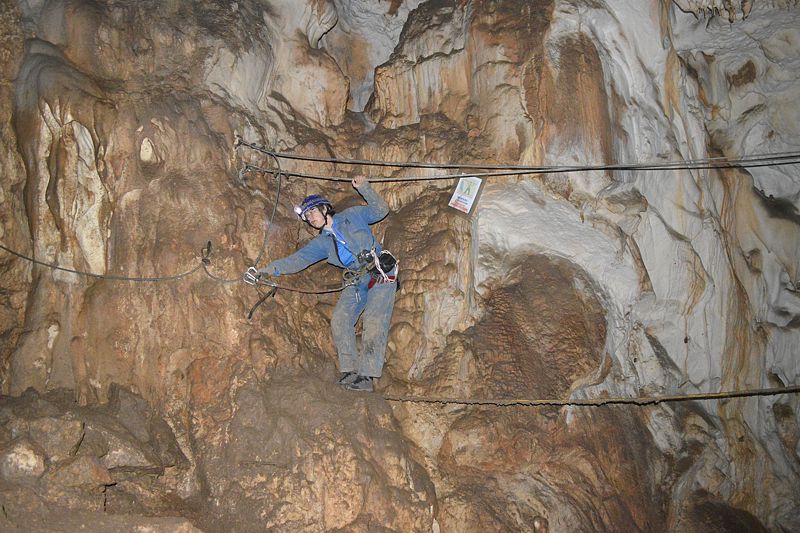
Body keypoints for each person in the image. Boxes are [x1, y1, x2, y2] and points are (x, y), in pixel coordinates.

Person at [258, 175, 397, 392]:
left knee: (374, 320)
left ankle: (367, 376)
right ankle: (350, 370)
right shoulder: (322, 243)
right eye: (306, 216)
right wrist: (267, 270)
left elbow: (381, 211)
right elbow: (298, 259)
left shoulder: (352, 216)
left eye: (312, 212)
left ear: (325, 209)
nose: (310, 218)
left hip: (380, 272)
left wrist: (364, 187)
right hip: (357, 279)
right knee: (340, 319)